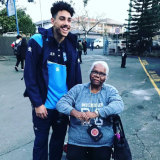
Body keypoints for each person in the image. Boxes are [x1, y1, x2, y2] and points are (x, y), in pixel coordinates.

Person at [24, 1, 82, 160]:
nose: (66, 24)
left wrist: (75, 106)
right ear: (53, 21)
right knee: (40, 143)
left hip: (63, 108)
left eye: (69, 20)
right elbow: (30, 76)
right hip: (42, 107)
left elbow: (77, 79)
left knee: (57, 143)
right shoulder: (38, 40)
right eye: (62, 19)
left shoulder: (71, 44)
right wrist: (37, 103)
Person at [56, 61, 124, 160]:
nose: (97, 76)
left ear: (106, 77)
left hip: (103, 143)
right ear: (90, 73)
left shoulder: (110, 91)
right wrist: (75, 113)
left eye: (102, 74)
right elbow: (61, 104)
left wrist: (96, 113)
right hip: (77, 141)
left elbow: (119, 105)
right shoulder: (78, 89)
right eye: (95, 72)